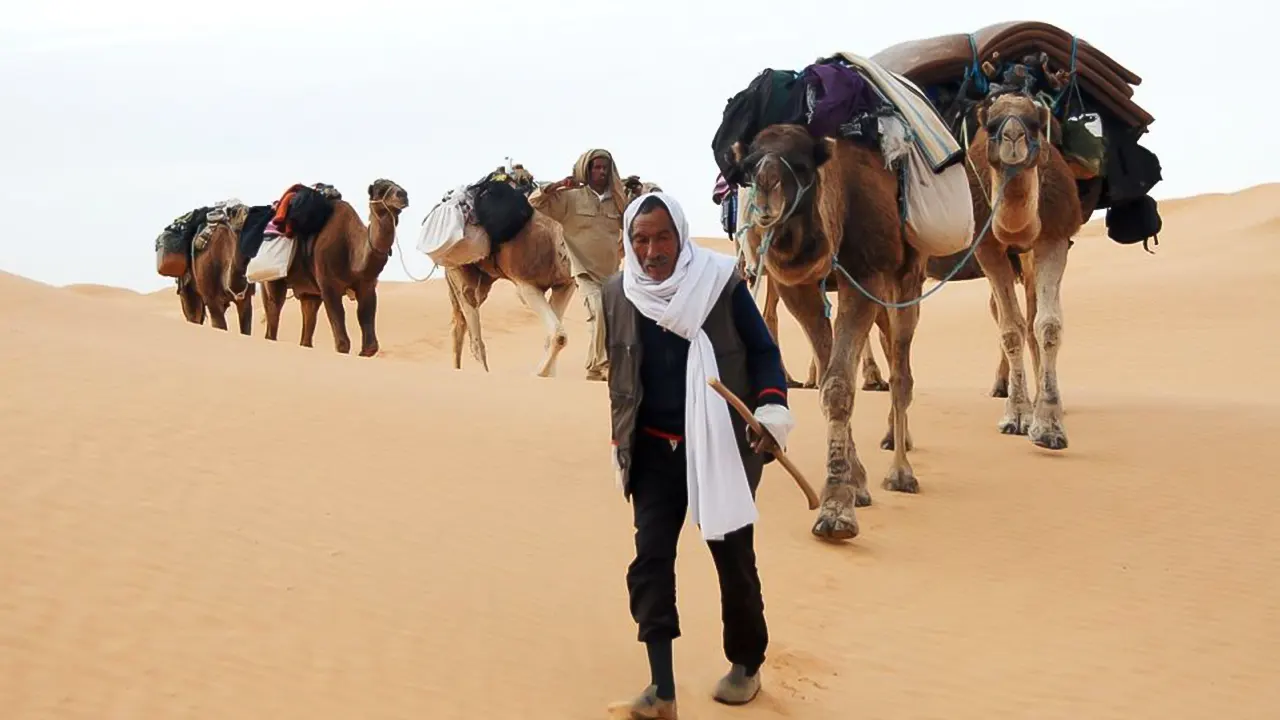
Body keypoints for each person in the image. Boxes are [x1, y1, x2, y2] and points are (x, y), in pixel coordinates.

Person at [602, 191, 796, 719]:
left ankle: (747, 663)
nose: (651, 250)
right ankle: (661, 690)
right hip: (653, 452)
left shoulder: (719, 283)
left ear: (680, 236)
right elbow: (621, 375)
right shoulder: (618, 293)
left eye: (662, 237)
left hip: (719, 449)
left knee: (733, 561)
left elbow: (763, 353)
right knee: (650, 563)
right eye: (640, 239)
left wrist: (772, 412)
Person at [527, 149, 628, 381]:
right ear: (587, 169)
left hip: (611, 274)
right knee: (599, 311)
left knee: (609, 320)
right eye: (596, 167)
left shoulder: (617, 201)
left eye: (605, 167)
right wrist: (558, 185)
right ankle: (603, 365)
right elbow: (535, 201)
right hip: (584, 273)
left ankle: (594, 369)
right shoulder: (571, 199)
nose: (601, 172)